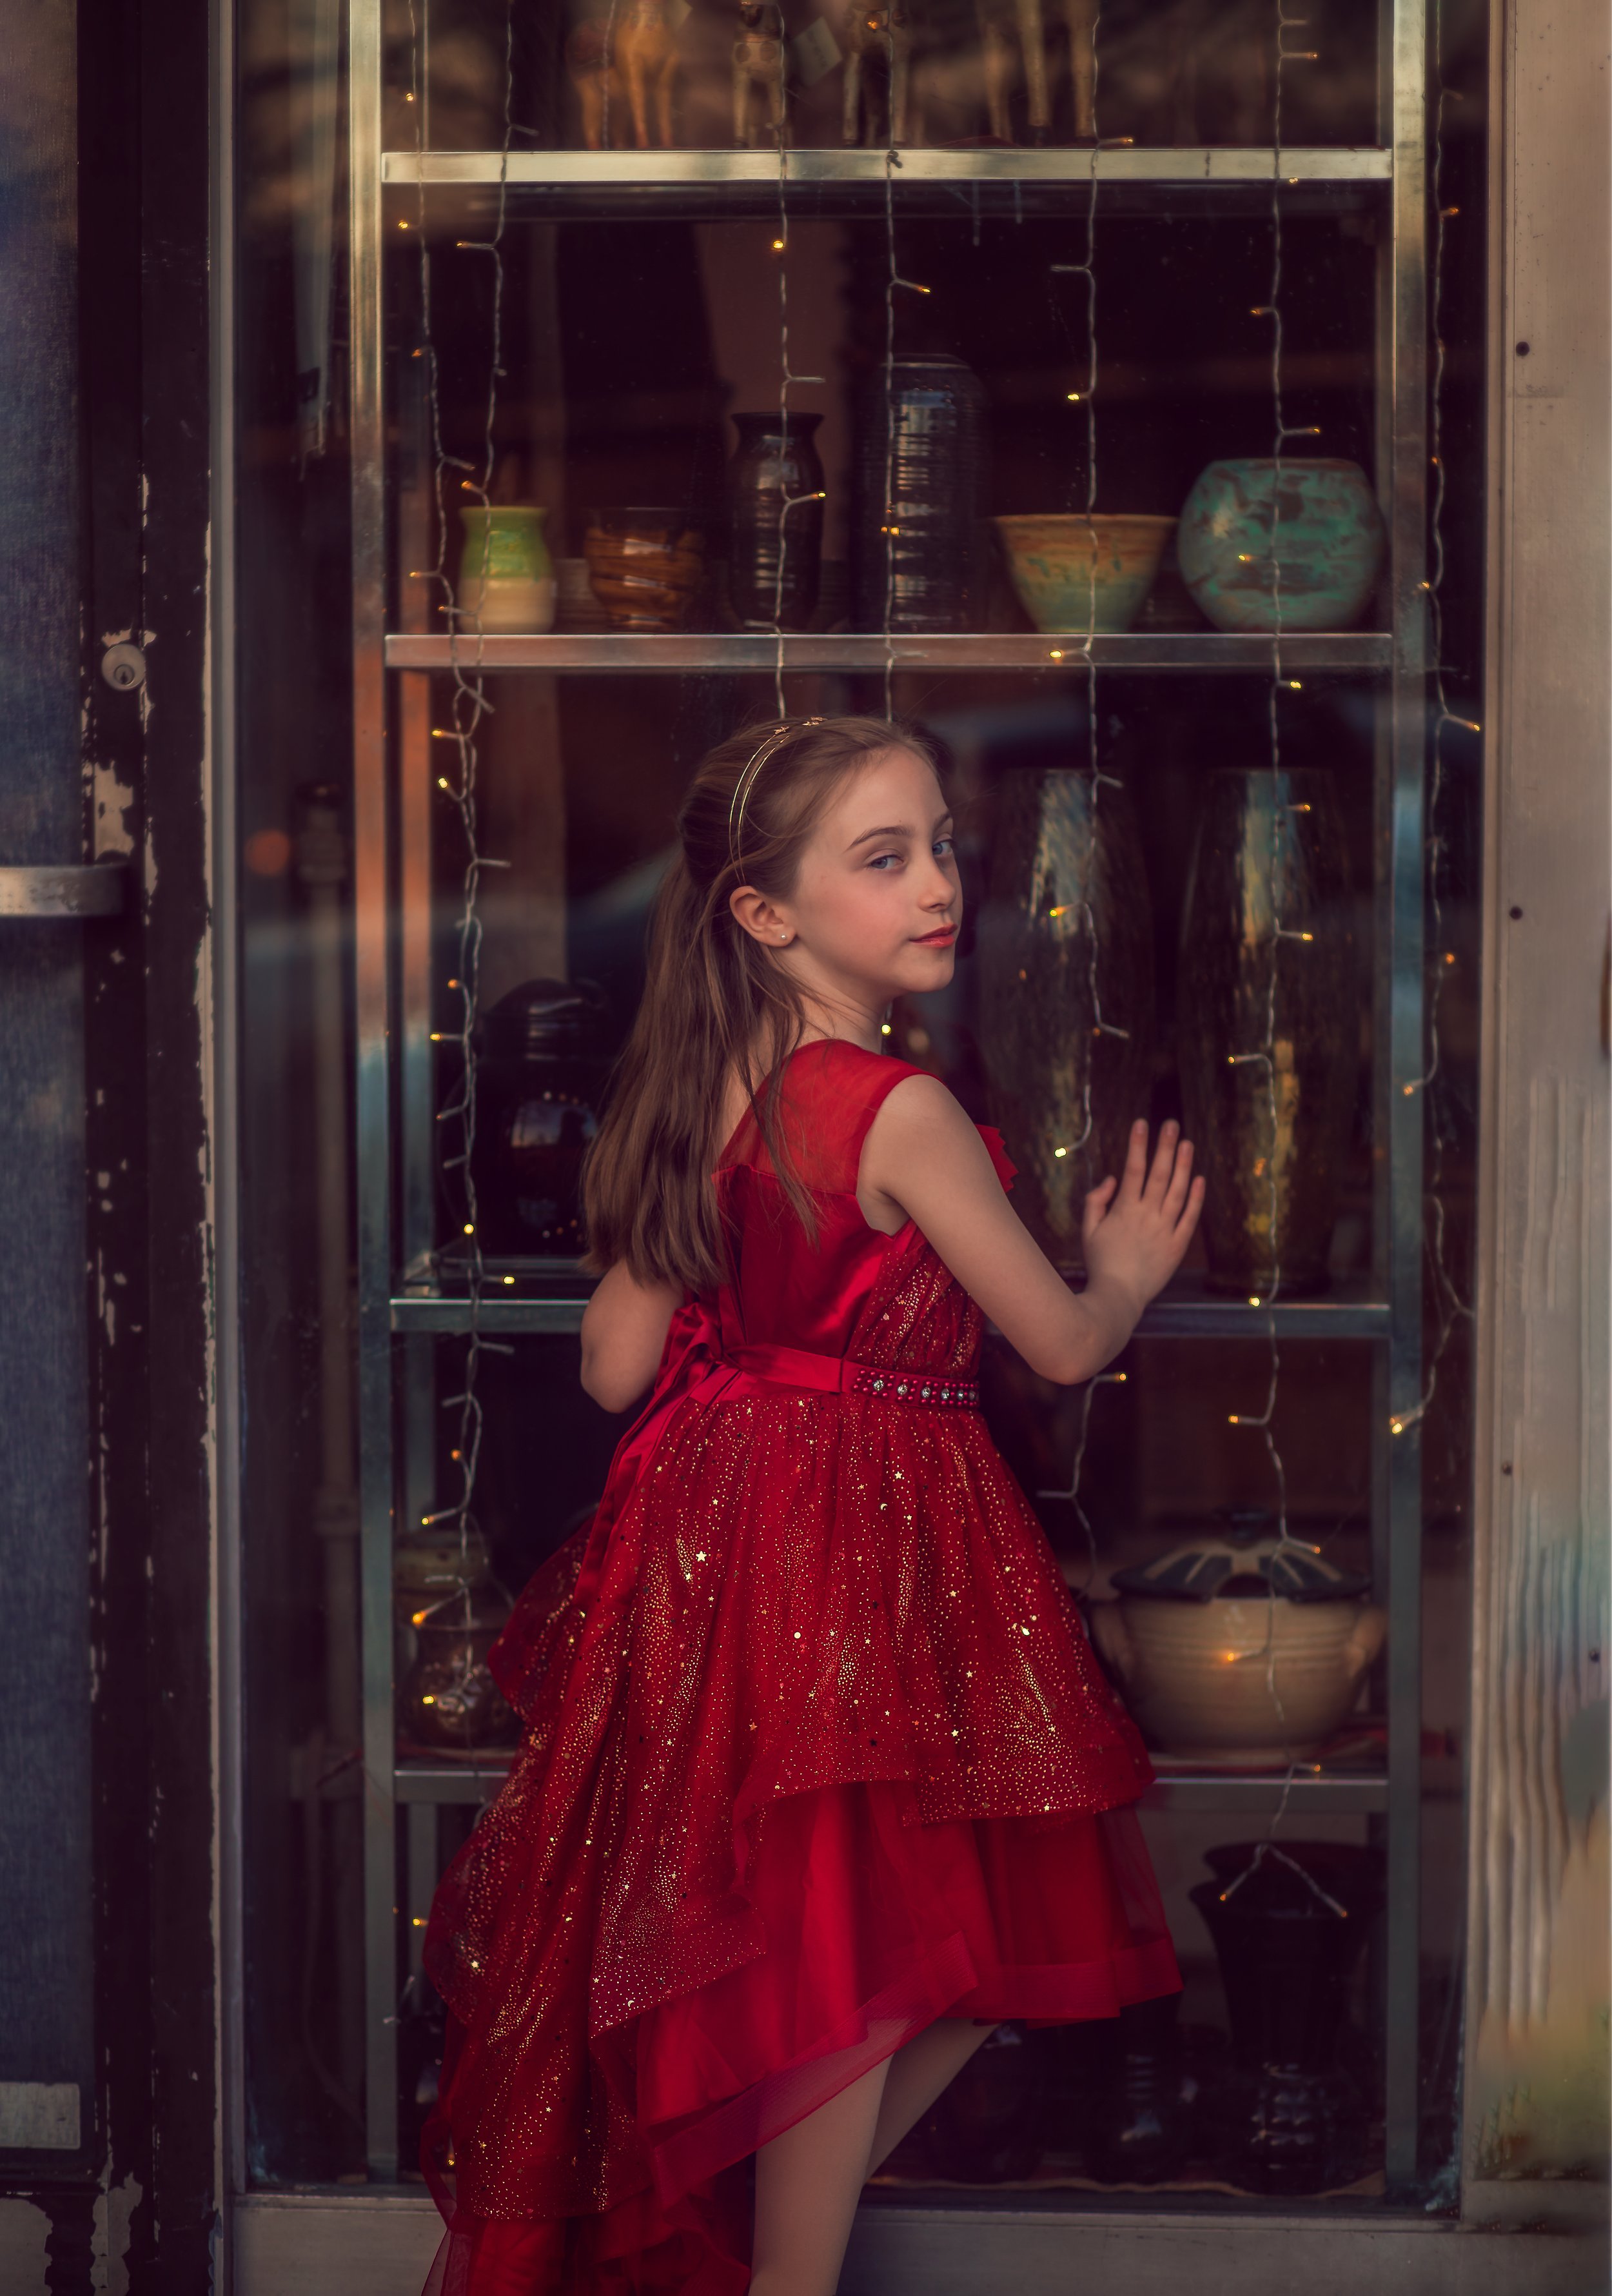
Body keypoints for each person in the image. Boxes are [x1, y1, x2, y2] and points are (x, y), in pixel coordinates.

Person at [419, 714, 1204, 2296]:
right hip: (864, 1552)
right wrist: (1119, 1271)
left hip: (720, 1546)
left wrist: (758, 1359)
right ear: (763, 914)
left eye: (937, 848)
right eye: (883, 857)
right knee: (910, 1957)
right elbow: (1052, 1344)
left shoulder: (706, 1082)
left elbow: (612, 1367)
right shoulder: (890, 1109)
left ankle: (747, 2213)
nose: (936, 887)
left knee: (855, 1956)